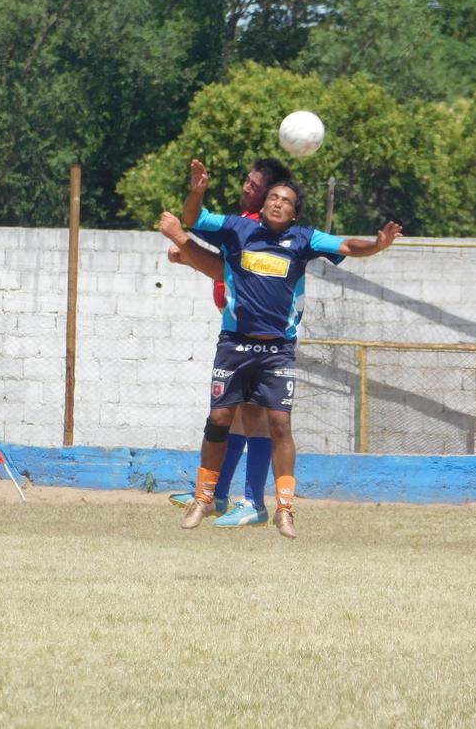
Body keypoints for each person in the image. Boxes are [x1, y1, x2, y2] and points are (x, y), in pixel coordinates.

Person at [159, 161, 403, 538]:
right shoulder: (238, 229)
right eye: (272, 197)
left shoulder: (304, 239)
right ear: (264, 204)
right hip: (234, 344)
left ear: (294, 213)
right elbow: (194, 219)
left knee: (279, 423)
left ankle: (284, 508)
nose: (277, 203)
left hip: (277, 350)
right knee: (220, 419)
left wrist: (377, 245)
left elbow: (346, 245)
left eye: (285, 200)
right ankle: (204, 497)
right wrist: (196, 191)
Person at [167, 157, 293, 528]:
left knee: (252, 414)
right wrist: (188, 255)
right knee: (234, 414)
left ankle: (252, 500)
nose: (246, 187)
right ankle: (218, 493)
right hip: (239, 331)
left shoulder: (260, 229)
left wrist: (183, 243)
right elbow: (224, 266)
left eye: (255, 184)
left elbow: (220, 268)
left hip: (261, 337)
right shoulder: (246, 223)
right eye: (247, 181)